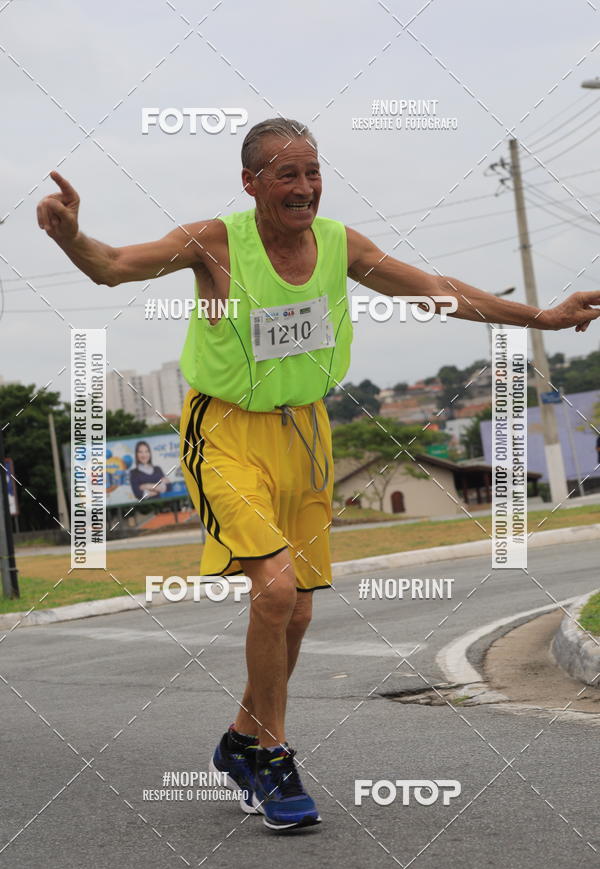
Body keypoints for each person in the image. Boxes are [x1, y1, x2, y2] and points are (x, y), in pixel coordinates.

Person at [37, 117, 600, 831]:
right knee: (273, 588)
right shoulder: (216, 243)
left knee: (298, 609)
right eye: (285, 174)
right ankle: (272, 756)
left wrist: (542, 318)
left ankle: (242, 739)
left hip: (306, 433)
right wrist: (71, 237)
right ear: (251, 184)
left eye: (311, 171)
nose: (304, 187)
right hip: (225, 434)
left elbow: (438, 291)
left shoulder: (340, 246)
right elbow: (113, 263)